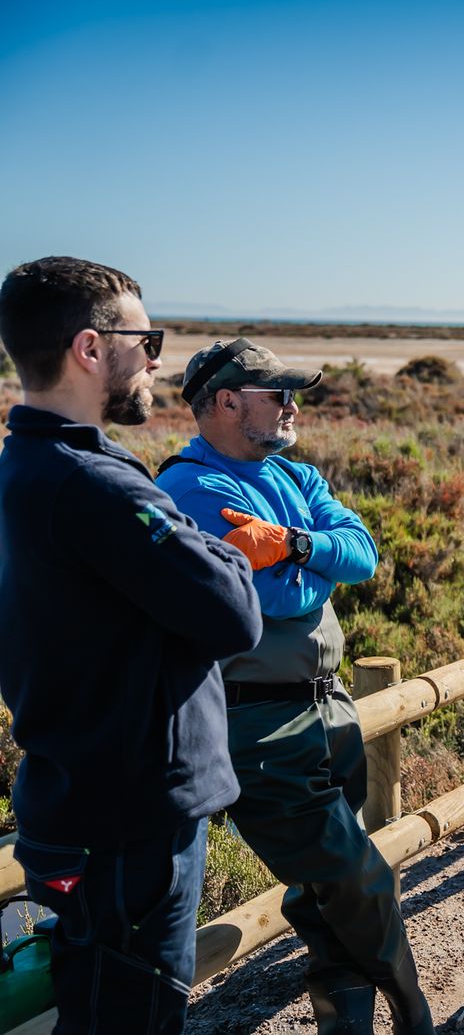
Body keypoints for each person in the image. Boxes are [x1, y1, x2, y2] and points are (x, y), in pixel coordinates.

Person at [0, 257, 262, 1033]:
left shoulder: (25, 465)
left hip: (79, 799)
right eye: (145, 339)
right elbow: (233, 613)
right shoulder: (96, 486)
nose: (155, 359)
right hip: (130, 824)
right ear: (89, 349)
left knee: (96, 1005)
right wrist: (225, 551)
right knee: (132, 1016)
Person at [155, 339, 435, 1035]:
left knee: (323, 891)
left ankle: (347, 1024)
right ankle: (414, 1011)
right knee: (355, 874)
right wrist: (309, 558)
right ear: (224, 402)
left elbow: (359, 556)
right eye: (275, 393)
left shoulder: (296, 474)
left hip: (326, 704)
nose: (290, 406)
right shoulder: (194, 486)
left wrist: (291, 544)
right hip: (257, 722)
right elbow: (275, 601)